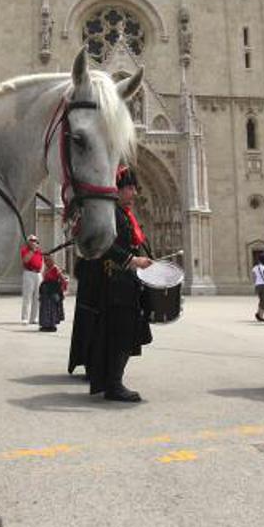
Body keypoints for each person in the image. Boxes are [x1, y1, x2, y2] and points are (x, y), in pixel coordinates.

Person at [67, 165, 154, 402]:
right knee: (120, 335)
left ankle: (110, 379)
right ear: (117, 190)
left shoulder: (124, 214)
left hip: (124, 283)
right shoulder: (111, 213)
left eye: (135, 188)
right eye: (129, 188)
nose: (134, 193)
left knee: (122, 333)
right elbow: (104, 242)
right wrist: (132, 260)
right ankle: (114, 384)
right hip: (116, 284)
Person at [38, 255, 68, 333]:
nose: (46, 262)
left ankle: (52, 325)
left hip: (53, 291)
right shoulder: (46, 268)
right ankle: (45, 325)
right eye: (45, 260)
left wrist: (63, 290)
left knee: (52, 309)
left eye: (47, 260)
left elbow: (63, 279)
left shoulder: (55, 268)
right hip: (46, 291)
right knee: (45, 308)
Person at [20, 235, 44, 325]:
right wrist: (32, 251)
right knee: (27, 296)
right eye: (32, 240)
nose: (34, 242)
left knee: (37, 297)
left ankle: (34, 318)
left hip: (38, 274)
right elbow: (25, 260)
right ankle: (24, 318)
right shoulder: (25, 250)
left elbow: (42, 263)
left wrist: (42, 274)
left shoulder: (39, 251)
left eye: (36, 240)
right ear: (28, 242)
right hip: (29, 273)